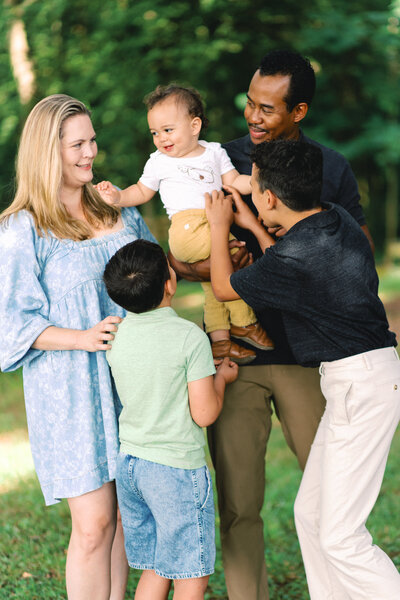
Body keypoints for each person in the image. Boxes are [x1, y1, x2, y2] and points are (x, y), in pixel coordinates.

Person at [168, 50, 374, 600]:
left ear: (298, 110)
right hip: (235, 357)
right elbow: (185, 256)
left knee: (334, 501)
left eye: (267, 109)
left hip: (313, 359)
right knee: (239, 506)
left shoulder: (331, 169)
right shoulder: (215, 158)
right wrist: (212, 257)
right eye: (248, 105)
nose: (253, 119)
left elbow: (357, 252)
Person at [205, 138, 400, 600]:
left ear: (270, 196)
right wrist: (252, 222)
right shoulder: (337, 221)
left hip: (361, 388)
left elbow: (222, 285)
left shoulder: (293, 259)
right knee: (310, 515)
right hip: (362, 379)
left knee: (340, 537)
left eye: (253, 190)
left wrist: (219, 227)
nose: (251, 195)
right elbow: (286, 259)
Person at [0, 94, 157, 600]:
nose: (91, 151)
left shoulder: (114, 206)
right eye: (78, 144)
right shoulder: (23, 228)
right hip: (68, 388)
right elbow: (10, 323)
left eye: (92, 140)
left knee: (121, 520)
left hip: (130, 379)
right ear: (48, 152)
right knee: (92, 525)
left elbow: (156, 276)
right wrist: (83, 338)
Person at [96, 84, 274, 365]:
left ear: (194, 126)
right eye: (154, 132)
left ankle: (221, 342)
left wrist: (255, 181)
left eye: (168, 130)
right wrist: (117, 197)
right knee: (232, 269)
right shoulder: (158, 162)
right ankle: (245, 322)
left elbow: (233, 182)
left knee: (213, 287)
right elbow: (141, 192)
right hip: (187, 230)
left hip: (216, 221)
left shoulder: (214, 153)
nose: (161, 139)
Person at [103, 239, 238, 600]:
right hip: (174, 471)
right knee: (190, 576)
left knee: (156, 567)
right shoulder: (188, 338)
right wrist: (221, 379)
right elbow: (205, 412)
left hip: (131, 466)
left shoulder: (116, 335)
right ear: (170, 283)